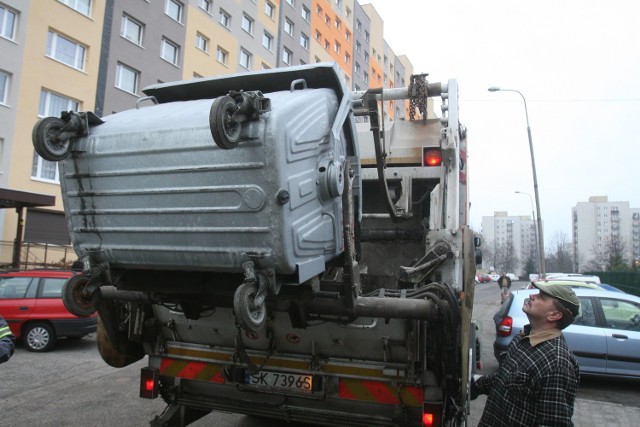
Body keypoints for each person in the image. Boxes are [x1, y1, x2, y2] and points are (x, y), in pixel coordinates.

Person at [471, 282, 580, 426]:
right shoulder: (523, 338)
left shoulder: (557, 364)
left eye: (541, 296)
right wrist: (474, 386)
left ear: (554, 315)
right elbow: (506, 377)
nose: (531, 295)